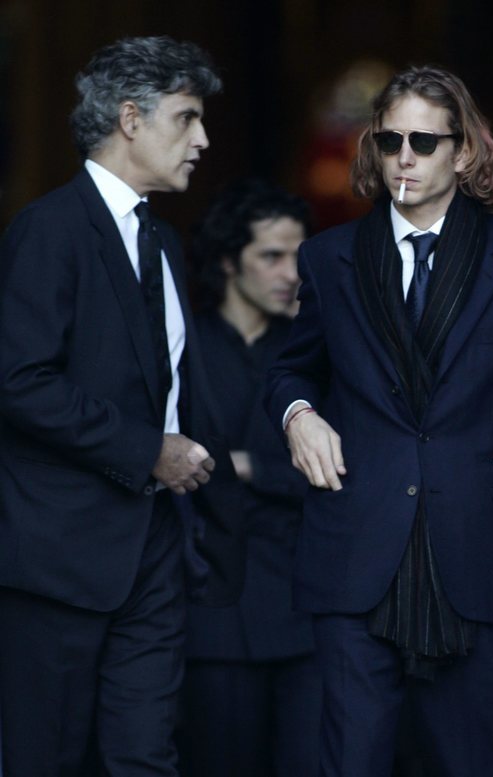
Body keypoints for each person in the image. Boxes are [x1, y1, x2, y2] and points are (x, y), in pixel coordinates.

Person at [265, 65, 493, 776]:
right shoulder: (328, 257)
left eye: (424, 140)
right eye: (389, 141)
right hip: (356, 543)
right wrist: (298, 415)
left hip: (476, 546)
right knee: (350, 760)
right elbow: (289, 367)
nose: (406, 157)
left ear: (464, 151)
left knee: (481, 758)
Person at [0, 36, 243, 777]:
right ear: (131, 119)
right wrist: (149, 451)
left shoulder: (164, 240)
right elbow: (18, 380)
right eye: (187, 119)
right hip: (59, 558)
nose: (202, 140)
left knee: (146, 758)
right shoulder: (50, 229)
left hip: (155, 551)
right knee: (49, 760)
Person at [177, 180, 320, 777]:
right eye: (272, 256)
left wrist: (244, 466)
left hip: (306, 605)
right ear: (230, 261)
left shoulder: (318, 349)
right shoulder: (183, 347)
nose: (292, 273)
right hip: (212, 612)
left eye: (298, 256)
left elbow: (351, 467)